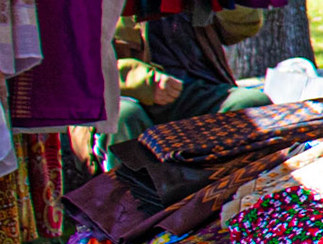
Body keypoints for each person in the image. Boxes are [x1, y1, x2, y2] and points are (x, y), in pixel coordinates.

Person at [111, 8, 272, 143]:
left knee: (252, 104)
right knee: (123, 116)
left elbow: (243, 27)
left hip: (197, 92)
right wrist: (141, 81)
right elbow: (95, 70)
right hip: (134, 99)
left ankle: (236, 172)